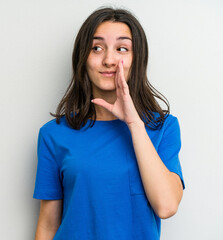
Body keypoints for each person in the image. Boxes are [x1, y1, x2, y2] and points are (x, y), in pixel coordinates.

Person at [33, 7, 185, 240]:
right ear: (83, 58)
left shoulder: (163, 128)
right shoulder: (53, 134)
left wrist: (134, 123)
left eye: (122, 48)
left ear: (137, 59)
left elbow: (166, 206)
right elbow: (47, 225)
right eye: (97, 48)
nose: (109, 60)